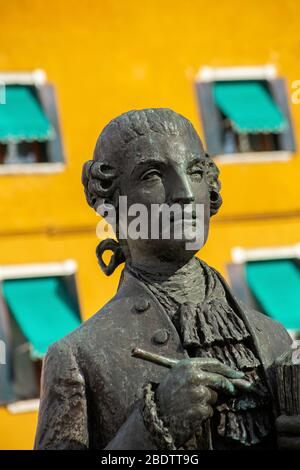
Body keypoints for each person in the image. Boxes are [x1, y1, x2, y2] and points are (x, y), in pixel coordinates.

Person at [34, 108, 300, 450]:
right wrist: (153, 424)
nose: (186, 193)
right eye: (153, 175)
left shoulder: (274, 337)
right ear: (112, 205)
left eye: (195, 171)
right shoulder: (78, 359)